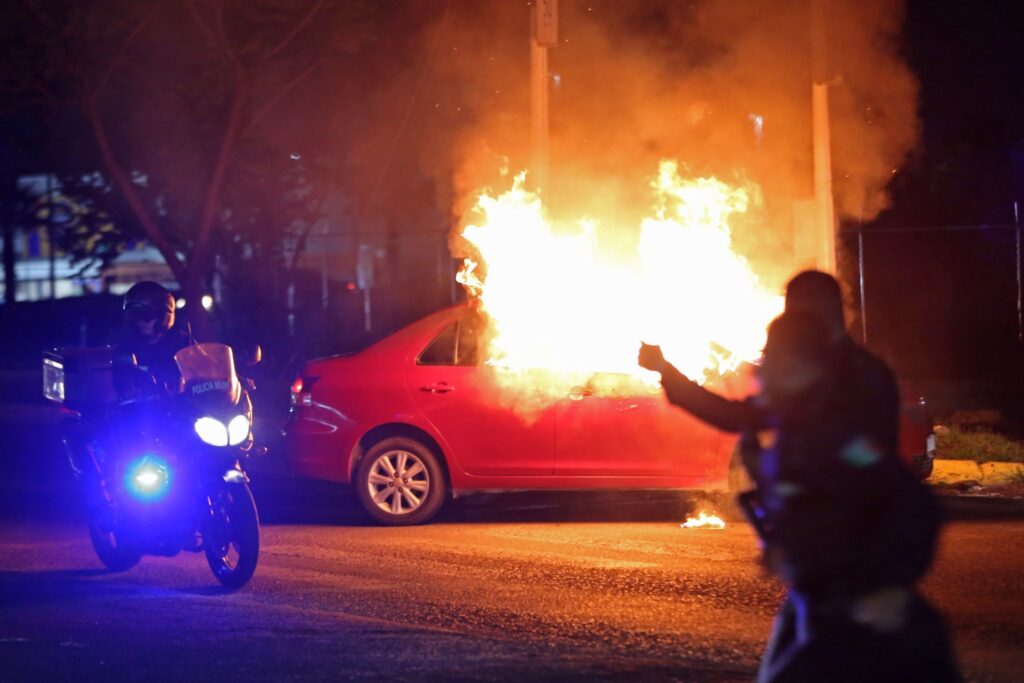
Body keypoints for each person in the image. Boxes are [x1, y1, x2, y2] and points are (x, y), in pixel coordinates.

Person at [639, 313, 959, 682]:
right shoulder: (786, 415)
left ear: (801, 366)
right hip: (812, 600)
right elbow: (726, 414)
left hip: (865, 610)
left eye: (773, 357)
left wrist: (885, 585)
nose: (762, 370)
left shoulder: (841, 437)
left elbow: (914, 503)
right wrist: (664, 369)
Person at [112, 281, 192, 400]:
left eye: (145, 314)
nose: (139, 321)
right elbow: (122, 387)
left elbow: (207, 376)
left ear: (163, 316)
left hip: (182, 411)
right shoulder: (125, 349)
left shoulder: (183, 343)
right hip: (141, 413)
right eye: (134, 315)